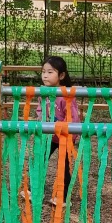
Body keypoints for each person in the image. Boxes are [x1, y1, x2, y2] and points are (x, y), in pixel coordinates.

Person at [38, 56, 81, 204]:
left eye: (50, 72)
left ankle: (62, 197)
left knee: (63, 165)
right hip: (49, 135)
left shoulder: (65, 95)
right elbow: (40, 110)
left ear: (61, 75)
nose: (45, 75)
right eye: (43, 71)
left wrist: (65, 130)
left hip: (65, 136)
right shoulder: (42, 92)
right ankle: (34, 190)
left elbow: (73, 118)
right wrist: (42, 121)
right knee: (40, 159)